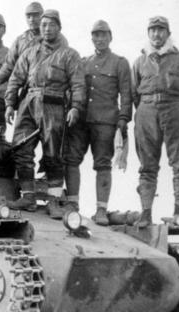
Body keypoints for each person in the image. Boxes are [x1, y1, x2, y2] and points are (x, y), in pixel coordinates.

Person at [4, 9, 86, 219]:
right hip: (29, 103)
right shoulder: (30, 52)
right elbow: (16, 78)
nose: (47, 29)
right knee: (21, 148)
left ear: (59, 27)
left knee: (53, 154)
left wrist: (76, 107)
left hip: (54, 104)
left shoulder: (69, 54)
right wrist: (10, 104)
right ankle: (28, 196)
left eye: (51, 25)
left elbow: (78, 84)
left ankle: (54, 201)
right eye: (43, 25)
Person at [64, 20, 132, 225]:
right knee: (71, 159)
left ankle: (101, 210)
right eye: (96, 35)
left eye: (103, 35)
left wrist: (123, 119)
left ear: (110, 37)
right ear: (91, 38)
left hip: (105, 122)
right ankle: (72, 204)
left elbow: (126, 95)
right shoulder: (83, 62)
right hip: (82, 121)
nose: (99, 39)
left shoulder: (120, 63)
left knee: (103, 164)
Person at [132, 16, 179, 228]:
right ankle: (145, 213)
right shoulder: (140, 62)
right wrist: (146, 109)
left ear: (168, 33)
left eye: (161, 30)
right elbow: (134, 92)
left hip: (176, 110)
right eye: (152, 30)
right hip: (147, 111)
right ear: (148, 33)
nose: (157, 34)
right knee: (147, 165)